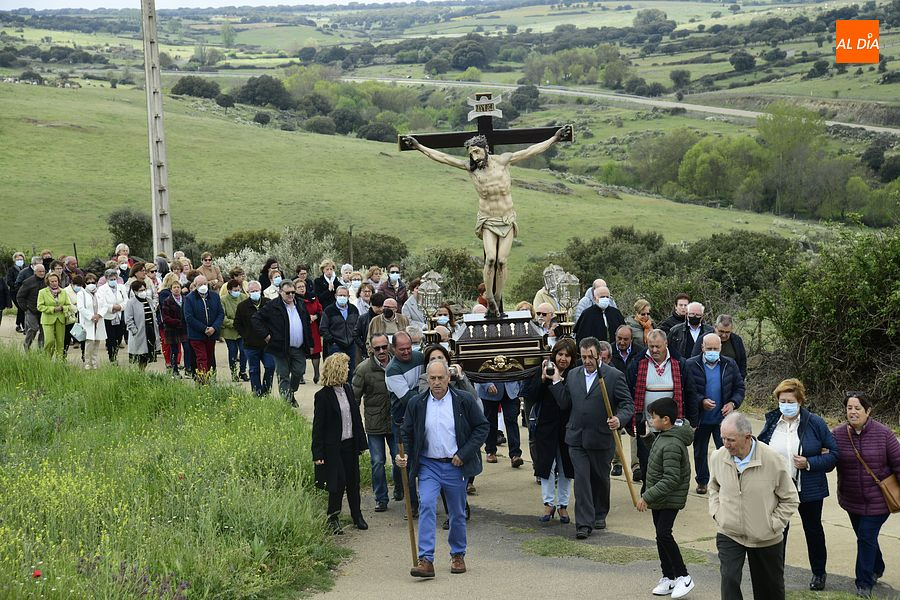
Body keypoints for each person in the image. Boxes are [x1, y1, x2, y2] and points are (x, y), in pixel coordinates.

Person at [403, 127, 568, 315]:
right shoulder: (470, 168)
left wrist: (554, 139)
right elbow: (444, 158)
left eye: (477, 151)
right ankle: (489, 297)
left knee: (502, 262)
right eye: (471, 153)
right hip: (487, 218)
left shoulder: (503, 160)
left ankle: (498, 297)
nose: (474, 156)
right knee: (490, 259)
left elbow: (530, 150)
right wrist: (419, 147)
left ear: (486, 149)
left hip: (506, 218)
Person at [397, 361, 489, 578]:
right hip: (428, 464)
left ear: (448, 378)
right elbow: (406, 432)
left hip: (455, 465)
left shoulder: (463, 400)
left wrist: (464, 454)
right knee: (427, 504)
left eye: (441, 378)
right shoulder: (417, 403)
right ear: (426, 379)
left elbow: (482, 427)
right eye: (432, 378)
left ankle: (458, 554)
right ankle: (426, 560)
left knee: (457, 512)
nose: (437, 383)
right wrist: (405, 455)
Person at [548, 336, 634, 538]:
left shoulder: (614, 376)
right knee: (582, 481)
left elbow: (627, 405)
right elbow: (565, 402)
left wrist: (619, 420)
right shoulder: (574, 375)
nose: (586, 361)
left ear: (599, 356)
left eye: (590, 357)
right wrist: (555, 382)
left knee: (600, 479)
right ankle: (583, 524)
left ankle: (600, 512)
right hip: (576, 437)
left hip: (602, 438)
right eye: (584, 356)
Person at [758, 378, 838, 592]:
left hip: (808, 488)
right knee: (778, 531)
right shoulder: (772, 421)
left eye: (790, 401)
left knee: (813, 530)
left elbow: (833, 454)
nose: (786, 404)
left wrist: (809, 462)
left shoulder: (815, 423)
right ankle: (776, 574)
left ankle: (819, 573)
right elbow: (760, 448)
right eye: (782, 400)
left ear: (800, 401)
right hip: (777, 489)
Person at [709, 412, 799, 600]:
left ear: (748, 437)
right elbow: (714, 487)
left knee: (769, 589)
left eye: (731, 440)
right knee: (729, 580)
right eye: (723, 438)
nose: (726, 444)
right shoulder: (718, 456)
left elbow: (790, 498)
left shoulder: (772, 460)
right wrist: (717, 512)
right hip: (729, 532)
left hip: (765, 537)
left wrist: (772, 524)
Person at [832, 391, 900, 598]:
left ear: (868, 411)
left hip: (879, 500)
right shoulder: (837, 434)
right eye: (849, 408)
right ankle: (877, 566)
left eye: (857, 408)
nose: (853, 412)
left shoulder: (884, 434)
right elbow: (829, 459)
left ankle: (864, 583)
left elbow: (898, 463)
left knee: (866, 536)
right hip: (851, 499)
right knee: (865, 537)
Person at [636, 397, 696, 599]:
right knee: (660, 535)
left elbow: (671, 478)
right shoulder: (664, 435)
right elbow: (658, 452)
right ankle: (668, 577)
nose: (651, 420)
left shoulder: (672, 443)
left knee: (664, 534)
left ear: (666, 419)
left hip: (669, 498)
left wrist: (647, 496)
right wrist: (646, 437)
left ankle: (683, 576)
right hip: (660, 499)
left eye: (653, 417)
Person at [626, 329, 697, 488]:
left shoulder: (679, 363)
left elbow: (691, 392)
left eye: (658, 346)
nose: (654, 350)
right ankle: (648, 488)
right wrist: (630, 421)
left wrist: (693, 421)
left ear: (666, 344)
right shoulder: (638, 363)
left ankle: (666, 491)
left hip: (672, 425)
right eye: (651, 346)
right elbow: (628, 391)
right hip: (646, 423)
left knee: (669, 460)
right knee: (646, 459)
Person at [312, 352, 369, 535]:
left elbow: (355, 417)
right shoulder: (323, 396)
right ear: (337, 369)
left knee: (354, 481)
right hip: (333, 448)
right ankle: (333, 516)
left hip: (350, 444)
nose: (348, 370)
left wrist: (361, 442)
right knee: (337, 482)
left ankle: (357, 515)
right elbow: (318, 427)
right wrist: (318, 454)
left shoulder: (347, 389)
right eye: (345, 366)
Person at [686, 333, 745, 495]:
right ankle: (702, 481)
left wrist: (733, 403)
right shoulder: (691, 365)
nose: (712, 351)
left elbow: (739, 388)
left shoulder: (729, 364)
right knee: (700, 451)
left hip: (723, 420)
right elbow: (688, 391)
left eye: (715, 348)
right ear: (702, 347)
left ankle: (726, 481)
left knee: (727, 450)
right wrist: (701, 401)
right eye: (709, 348)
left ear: (720, 348)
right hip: (701, 418)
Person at [529, 338, 576, 524]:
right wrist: (542, 379)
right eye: (560, 354)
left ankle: (563, 505)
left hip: (567, 427)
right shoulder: (544, 370)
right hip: (546, 428)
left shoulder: (574, 374)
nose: (563, 359)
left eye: (567, 355)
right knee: (547, 467)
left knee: (565, 467)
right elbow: (531, 396)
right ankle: (548, 503)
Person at [352, 333, 401, 512]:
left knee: (399, 459)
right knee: (377, 461)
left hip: (396, 422)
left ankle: (400, 488)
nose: (381, 351)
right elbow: (354, 400)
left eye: (384, 347)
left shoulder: (398, 364)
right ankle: (381, 498)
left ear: (389, 346)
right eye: (377, 348)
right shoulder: (363, 369)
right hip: (374, 423)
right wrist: (354, 428)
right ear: (371, 349)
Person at [252, 279, 312, 406]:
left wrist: (310, 343)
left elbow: (306, 324)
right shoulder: (273, 305)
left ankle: (290, 392)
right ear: (280, 292)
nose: (291, 295)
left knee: (299, 371)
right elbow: (256, 319)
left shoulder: (300, 304)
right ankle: (287, 402)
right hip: (280, 347)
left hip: (298, 347)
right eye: (287, 293)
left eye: (293, 292)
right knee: (283, 374)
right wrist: (266, 335)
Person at [385, 331, 425, 511]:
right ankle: (411, 504)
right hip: (401, 420)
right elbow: (408, 399)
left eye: (409, 348)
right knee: (404, 460)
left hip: (421, 417)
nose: (407, 352)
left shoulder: (420, 357)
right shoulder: (392, 370)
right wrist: (425, 390)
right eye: (402, 350)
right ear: (393, 349)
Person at [234, 281, 274, 396]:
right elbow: (237, 323)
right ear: (248, 292)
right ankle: (257, 392)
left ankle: (266, 391)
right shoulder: (242, 306)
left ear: (260, 290)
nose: (255, 293)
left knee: (270, 367)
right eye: (252, 291)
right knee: (254, 370)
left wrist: (271, 335)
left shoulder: (268, 303)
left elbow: (275, 320)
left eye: (256, 291)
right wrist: (246, 335)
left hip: (267, 343)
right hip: (250, 345)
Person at [183, 275, 224, 382]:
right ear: (195, 286)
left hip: (212, 334)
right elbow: (189, 317)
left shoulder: (215, 296)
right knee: (201, 356)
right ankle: (203, 379)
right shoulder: (189, 298)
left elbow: (220, 313)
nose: (203, 286)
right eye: (200, 284)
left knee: (210, 356)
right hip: (196, 335)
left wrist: (214, 327)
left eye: (205, 284)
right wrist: (204, 329)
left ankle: (210, 376)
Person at [477, 378, 523, 468]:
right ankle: (490, 451)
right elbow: (478, 367)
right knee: (490, 421)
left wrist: (519, 383)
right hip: (490, 389)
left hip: (511, 389)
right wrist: (487, 384)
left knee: (512, 421)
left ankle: (515, 454)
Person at [692, 314, 748, 380]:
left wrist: (740, 379)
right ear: (715, 327)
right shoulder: (704, 339)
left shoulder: (737, 340)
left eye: (727, 332)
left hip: (730, 381)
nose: (724, 335)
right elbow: (694, 360)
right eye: (721, 331)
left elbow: (742, 362)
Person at [320, 286, 360, 376]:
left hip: (351, 345)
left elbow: (357, 326)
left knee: (351, 369)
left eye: (344, 295)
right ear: (335, 296)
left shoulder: (354, 309)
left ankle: (349, 389)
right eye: (340, 295)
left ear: (348, 296)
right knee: (336, 370)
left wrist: (355, 338)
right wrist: (332, 341)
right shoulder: (329, 310)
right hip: (336, 345)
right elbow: (323, 328)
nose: (342, 297)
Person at [124, 279, 160, 371]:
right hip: (139, 332)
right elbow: (128, 319)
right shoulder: (131, 303)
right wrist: (134, 331)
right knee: (140, 355)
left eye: (144, 289)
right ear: (135, 291)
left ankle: (142, 371)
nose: (143, 292)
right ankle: (140, 372)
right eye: (140, 290)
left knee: (148, 353)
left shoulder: (149, 300)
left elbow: (153, 314)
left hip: (150, 330)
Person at [77, 272, 108, 370]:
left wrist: (99, 315)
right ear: (85, 283)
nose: (91, 284)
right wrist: (91, 316)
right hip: (88, 321)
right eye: (89, 282)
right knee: (89, 343)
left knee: (97, 342)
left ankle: (94, 362)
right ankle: (87, 362)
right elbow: (81, 308)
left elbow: (105, 305)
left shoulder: (100, 293)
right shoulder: (81, 293)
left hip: (98, 320)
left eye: (93, 282)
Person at [37, 272, 71, 359]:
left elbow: (68, 305)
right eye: (52, 281)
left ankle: (60, 361)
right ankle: (46, 359)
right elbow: (40, 307)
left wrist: (63, 308)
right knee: (50, 340)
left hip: (60, 319)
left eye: (55, 281)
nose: (54, 283)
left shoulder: (63, 292)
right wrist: (52, 309)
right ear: (48, 282)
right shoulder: (42, 292)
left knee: (60, 341)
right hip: (48, 320)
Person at [161, 280, 190, 378]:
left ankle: (188, 369)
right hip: (172, 329)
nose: (176, 289)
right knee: (174, 350)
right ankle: (175, 370)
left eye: (178, 287)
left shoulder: (186, 299)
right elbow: (165, 317)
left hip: (184, 329)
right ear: (171, 289)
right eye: (174, 287)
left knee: (187, 348)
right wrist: (177, 322)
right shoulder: (167, 301)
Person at [296, 279, 323, 384]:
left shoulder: (312, 297)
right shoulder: (294, 299)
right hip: (301, 328)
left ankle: (317, 374)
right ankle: (300, 375)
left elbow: (320, 309)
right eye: (299, 287)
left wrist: (316, 316)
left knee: (315, 352)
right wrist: (306, 317)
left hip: (313, 327)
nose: (302, 288)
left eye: (303, 286)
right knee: (301, 352)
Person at [221, 279, 249, 382]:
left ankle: (243, 371)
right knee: (232, 351)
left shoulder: (244, 298)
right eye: (235, 290)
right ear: (229, 290)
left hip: (242, 331)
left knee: (244, 351)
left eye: (239, 289)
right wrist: (235, 324)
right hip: (230, 332)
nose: (237, 291)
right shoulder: (223, 300)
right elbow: (222, 317)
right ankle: (233, 373)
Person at [97, 268, 127, 362]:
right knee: (111, 339)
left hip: (120, 316)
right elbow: (101, 303)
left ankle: (115, 352)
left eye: (115, 279)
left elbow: (126, 300)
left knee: (119, 337)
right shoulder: (102, 289)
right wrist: (112, 307)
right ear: (106, 279)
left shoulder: (122, 287)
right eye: (111, 279)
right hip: (108, 317)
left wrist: (120, 307)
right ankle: (112, 357)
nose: (113, 281)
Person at [17, 263, 47, 351]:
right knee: (33, 328)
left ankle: (41, 349)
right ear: (35, 272)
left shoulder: (47, 281)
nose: (42, 273)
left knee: (43, 330)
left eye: (43, 271)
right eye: (40, 271)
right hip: (31, 309)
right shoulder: (28, 282)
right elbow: (20, 296)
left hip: (43, 310)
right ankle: (27, 346)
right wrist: (25, 308)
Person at [8, 251, 26, 333]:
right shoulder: (11, 270)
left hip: (25, 292)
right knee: (20, 307)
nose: (19, 261)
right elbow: (9, 281)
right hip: (15, 292)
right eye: (18, 259)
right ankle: (20, 324)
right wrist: (16, 286)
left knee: (23, 308)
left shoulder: (26, 268)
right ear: (14, 260)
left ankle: (21, 324)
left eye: (21, 259)